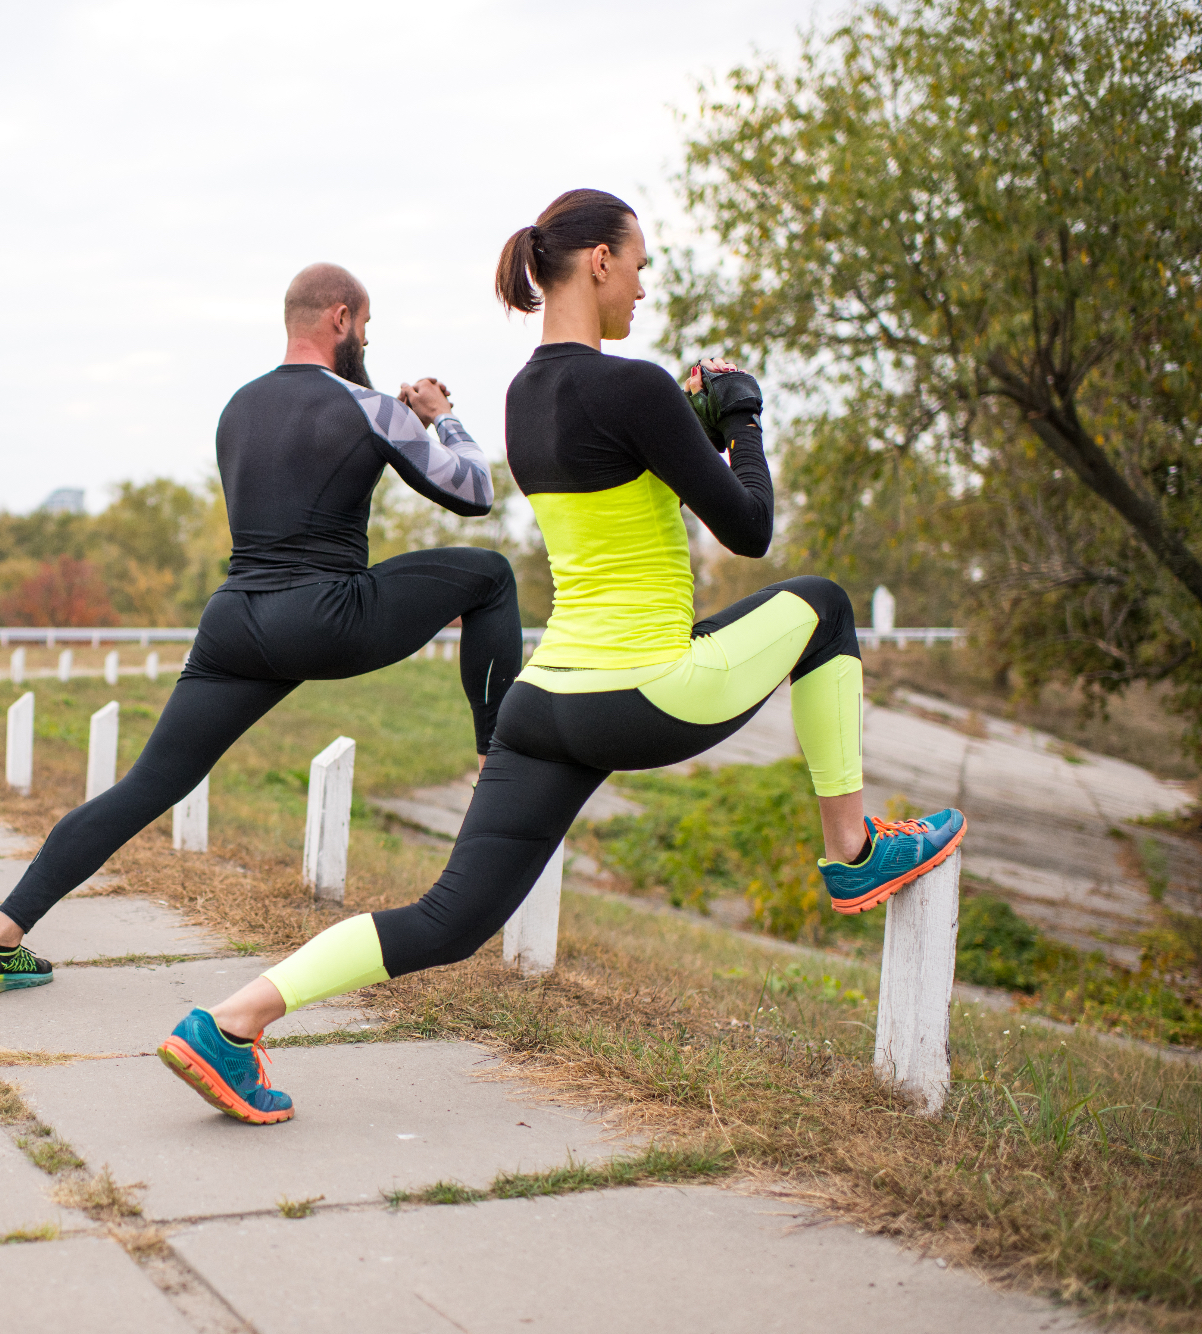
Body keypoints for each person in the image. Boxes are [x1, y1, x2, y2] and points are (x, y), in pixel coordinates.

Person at [157, 190, 967, 1125]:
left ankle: (231, 1021)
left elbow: (629, 479)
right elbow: (748, 527)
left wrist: (691, 423)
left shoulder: (524, 396)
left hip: (545, 705)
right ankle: (852, 851)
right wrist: (742, 419)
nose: (644, 287)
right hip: (643, 690)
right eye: (640, 265)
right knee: (822, 607)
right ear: (597, 262)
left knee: (448, 919)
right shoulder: (634, 385)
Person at [0, 262, 523, 996]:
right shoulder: (370, 406)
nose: (366, 343)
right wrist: (441, 413)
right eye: (366, 329)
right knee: (491, 575)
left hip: (235, 623)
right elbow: (472, 491)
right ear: (341, 319)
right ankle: (493, 765)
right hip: (325, 616)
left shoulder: (237, 407)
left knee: (145, 785)